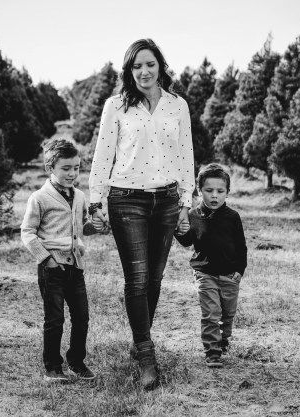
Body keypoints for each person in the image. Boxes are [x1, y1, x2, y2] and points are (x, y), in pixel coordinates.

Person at [88, 38, 195, 389]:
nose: (144, 71)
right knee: (137, 278)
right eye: (137, 66)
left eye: (150, 64)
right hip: (126, 199)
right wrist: (96, 201)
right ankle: (147, 357)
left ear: (160, 66)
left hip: (166, 200)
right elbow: (103, 155)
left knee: (155, 278)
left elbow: (186, 156)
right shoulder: (116, 106)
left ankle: (140, 338)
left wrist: (185, 203)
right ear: (129, 71)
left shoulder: (177, 106)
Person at [21, 139, 98, 383]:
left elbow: (81, 227)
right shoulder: (40, 198)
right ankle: (53, 367)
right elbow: (27, 232)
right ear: (50, 168)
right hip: (52, 267)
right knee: (55, 320)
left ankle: (76, 361)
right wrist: (47, 260)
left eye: (76, 167)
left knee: (82, 317)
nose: (72, 173)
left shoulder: (80, 196)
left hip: (75, 266)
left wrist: (95, 226)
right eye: (66, 168)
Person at [174, 163, 247, 368]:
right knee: (211, 313)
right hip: (204, 273)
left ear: (227, 192)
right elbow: (187, 241)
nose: (214, 195)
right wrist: (178, 230)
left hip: (229, 275)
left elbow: (241, 246)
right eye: (209, 190)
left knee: (227, 313)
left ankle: (223, 339)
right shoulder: (193, 215)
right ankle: (212, 351)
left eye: (220, 191)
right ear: (199, 191)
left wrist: (240, 270)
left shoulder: (233, 217)